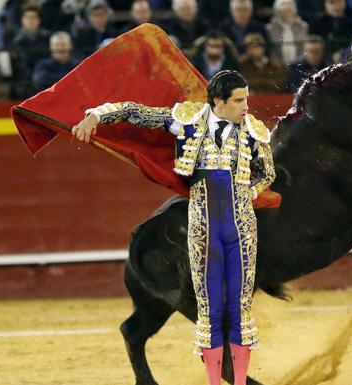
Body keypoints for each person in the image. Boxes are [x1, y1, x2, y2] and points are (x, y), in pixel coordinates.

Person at [71, 70, 275, 385]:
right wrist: (95, 115)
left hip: (240, 224)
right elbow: (135, 113)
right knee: (209, 312)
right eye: (239, 100)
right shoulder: (187, 120)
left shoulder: (254, 131)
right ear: (218, 101)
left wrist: (248, 192)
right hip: (203, 222)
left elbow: (266, 173)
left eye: (246, 99)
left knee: (239, 311)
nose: (246, 106)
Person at [11, 4, 52, 99]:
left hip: (44, 75)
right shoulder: (16, 40)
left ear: (39, 20)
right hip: (25, 77)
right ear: (22, 20)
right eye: (28, 17)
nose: (31, 21)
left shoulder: (47, 37)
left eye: (34, 17)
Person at [266, 0, 309, 64]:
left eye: (289, 11)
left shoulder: (303, 26)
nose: (286, 14)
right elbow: (271, 51)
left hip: (299, 65)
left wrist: (298, 64)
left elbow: (304, 48)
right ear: (277, 12)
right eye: (283, 11)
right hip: (278, 66)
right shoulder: (269, 28)